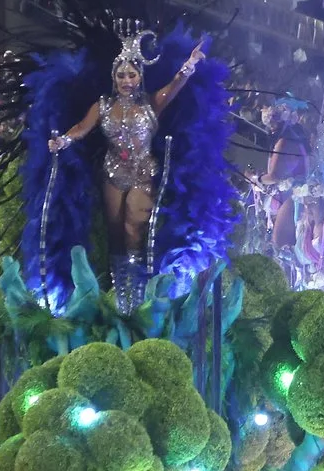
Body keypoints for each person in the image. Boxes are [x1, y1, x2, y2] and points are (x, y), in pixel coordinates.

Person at [49, 23, 207, 299]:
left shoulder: (150, 104)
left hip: (143, 174)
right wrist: (62, 141)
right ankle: (119, 290)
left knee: (134, 229)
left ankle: (137, 291)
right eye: (121, 75)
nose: (126, 80)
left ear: (139, 76)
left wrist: (189, 64)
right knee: (116, 235)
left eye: (131, 74)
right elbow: (82, 128)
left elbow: (174, 86)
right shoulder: (103, 106)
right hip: (111, 174)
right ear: (114, 78)